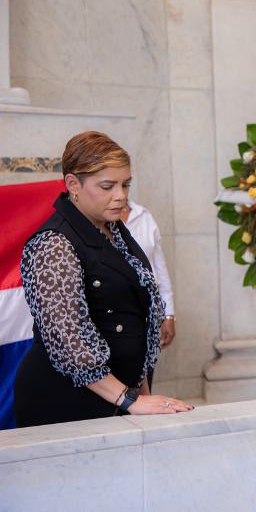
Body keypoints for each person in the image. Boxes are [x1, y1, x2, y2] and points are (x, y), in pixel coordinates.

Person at [14, 131, 193, 427]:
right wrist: (130, 399)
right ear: (73, 185)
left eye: (126, 184)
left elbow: (138, 313)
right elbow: (67, 341)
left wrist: (142, 393)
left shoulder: (113, 229)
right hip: (64, 402)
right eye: (107, 186)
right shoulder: (53, 243)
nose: (121, 195)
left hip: (119, 397)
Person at [121, 201, 176, 348]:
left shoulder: (144, 216)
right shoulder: (97, 219)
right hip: (114, 315)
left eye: (126, 184)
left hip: (146, 313)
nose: (120, 192)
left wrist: (168, 314)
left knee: (145, 367)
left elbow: (160, 269)